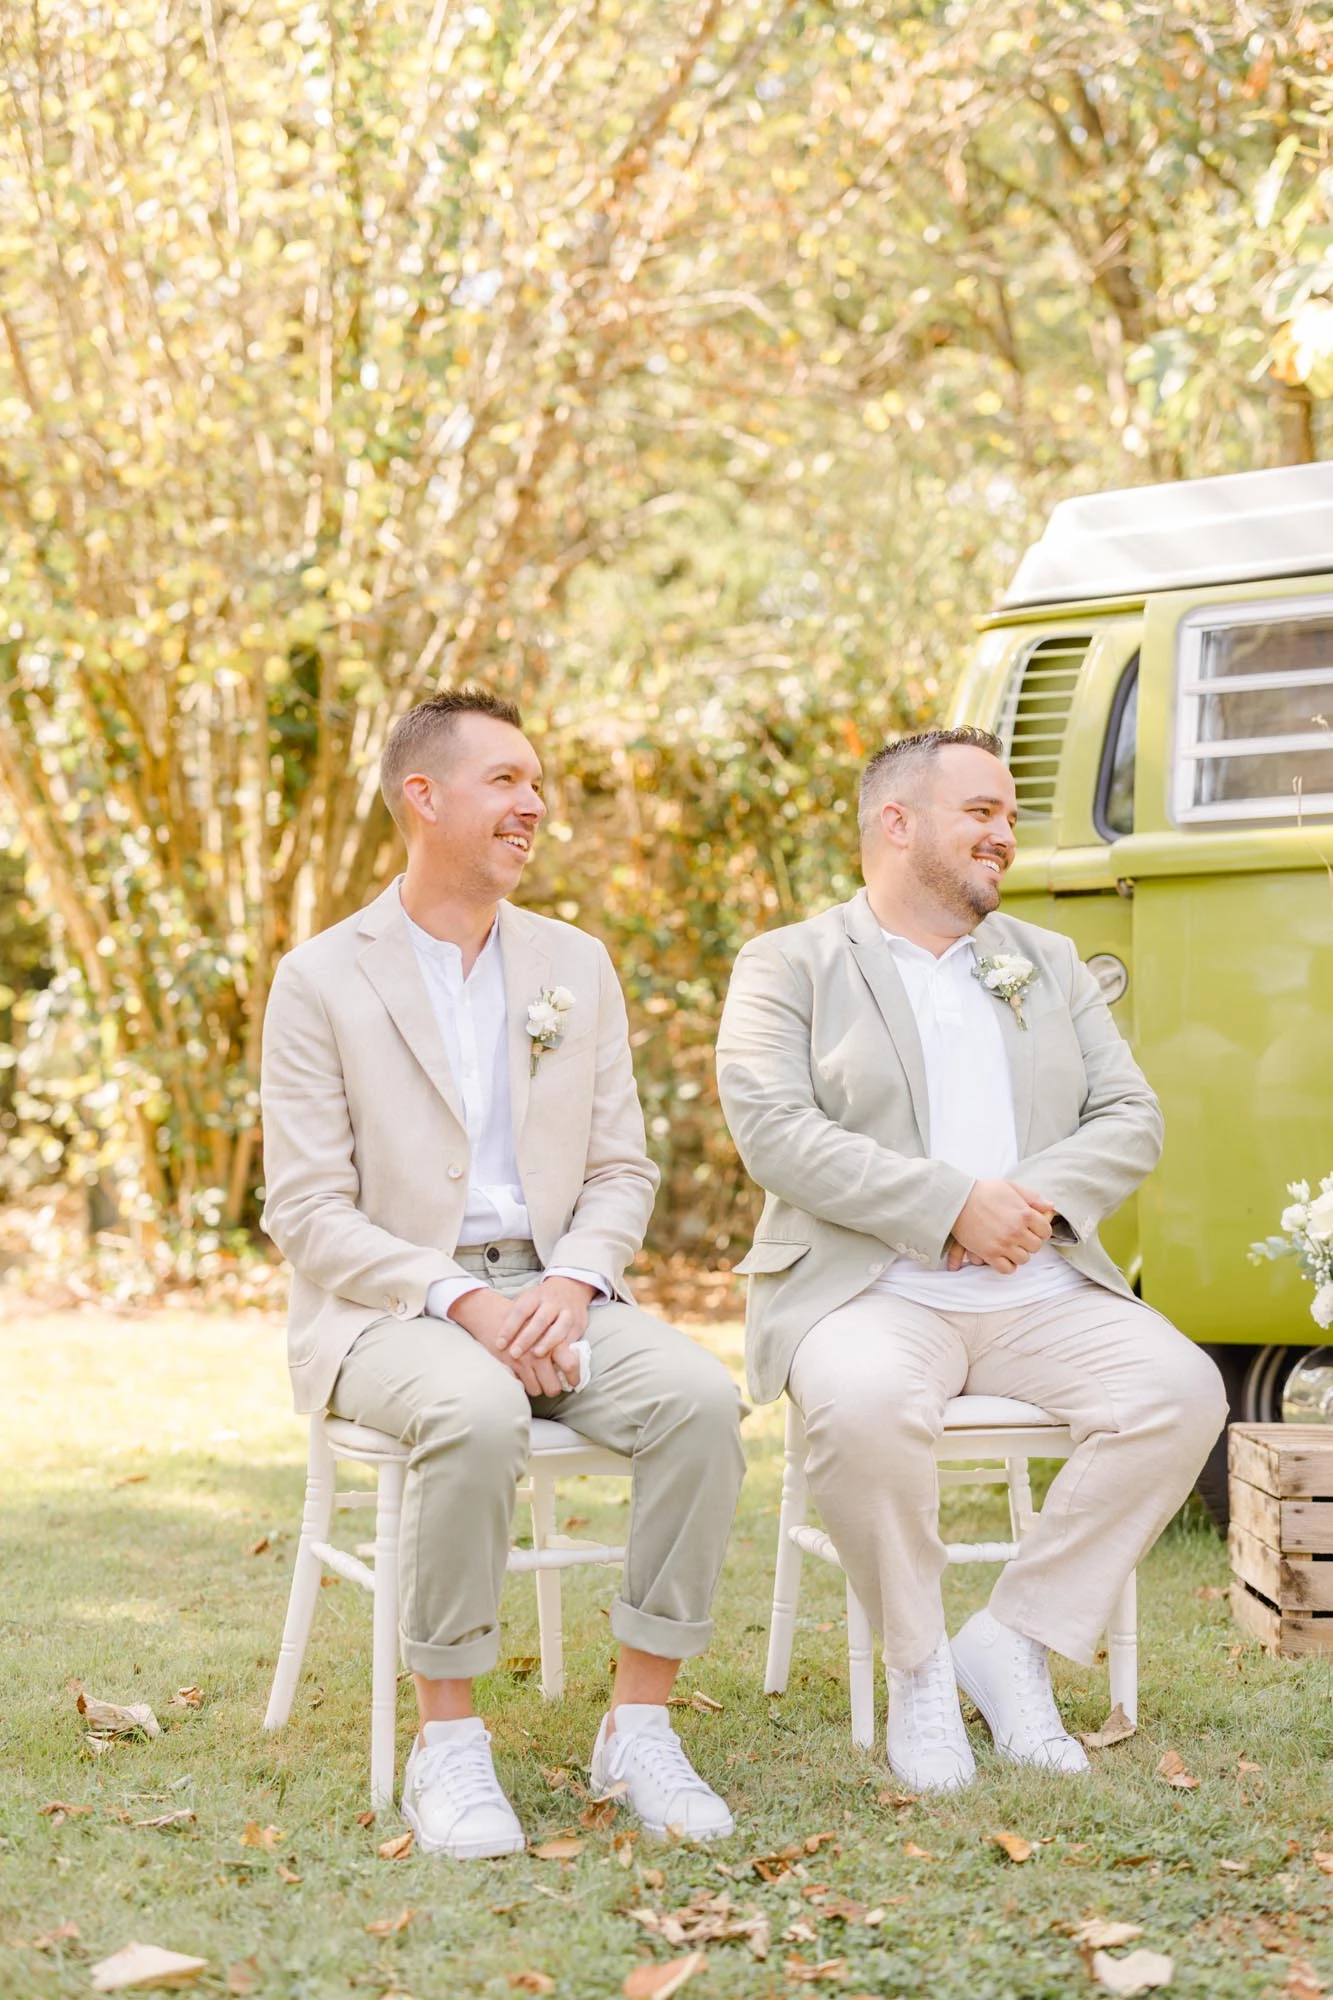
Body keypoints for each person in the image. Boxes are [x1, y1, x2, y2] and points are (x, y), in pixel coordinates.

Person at [261, 687, 744, 1857]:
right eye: (506, 781)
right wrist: (461, 1298)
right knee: (473, 1410)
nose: (533, 804)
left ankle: (638, 1720)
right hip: (392, 1303)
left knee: (698, 1401)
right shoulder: (321, 977)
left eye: (537, 783)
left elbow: (622, 1167)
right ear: (422, 797)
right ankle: (450, 1742)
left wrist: (573, 1282)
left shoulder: (572, 961)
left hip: (557, 1285)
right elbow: (307, 1209)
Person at [715, 726, 1226, 1793]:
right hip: (865, 1290)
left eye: (1006, 813)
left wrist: (1022, 1208)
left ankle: (1012, 1638)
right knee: (857, 1404)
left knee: (1180, 1389)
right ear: (896, 825)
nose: (1005, 833)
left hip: (1038, 1287)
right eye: (980, 812)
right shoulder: (790, 963)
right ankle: (917, 1671)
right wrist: (950, 1204)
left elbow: (1130, 1114)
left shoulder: (1039, 960)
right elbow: (776, 1132)